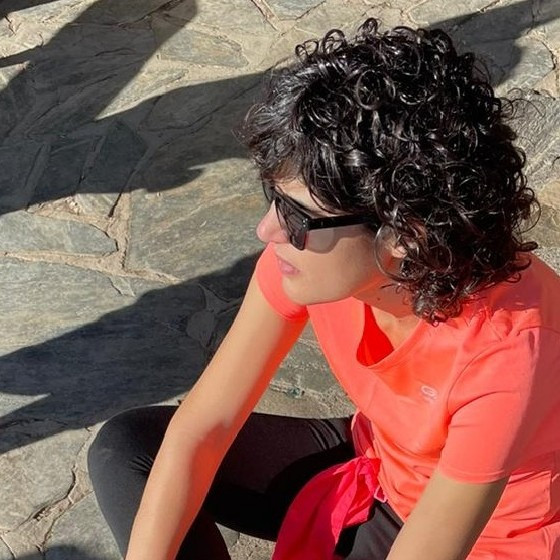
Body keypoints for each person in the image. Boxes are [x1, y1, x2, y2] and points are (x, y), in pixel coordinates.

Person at [87, 18, 560, 560]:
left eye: (296, 215)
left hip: (487, 537)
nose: (267, 231)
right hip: (384, 464)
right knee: (131, 449)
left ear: (405, 234)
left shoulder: (510, 348)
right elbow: (204, 427)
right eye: (273, 197)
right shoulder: (305, 263)